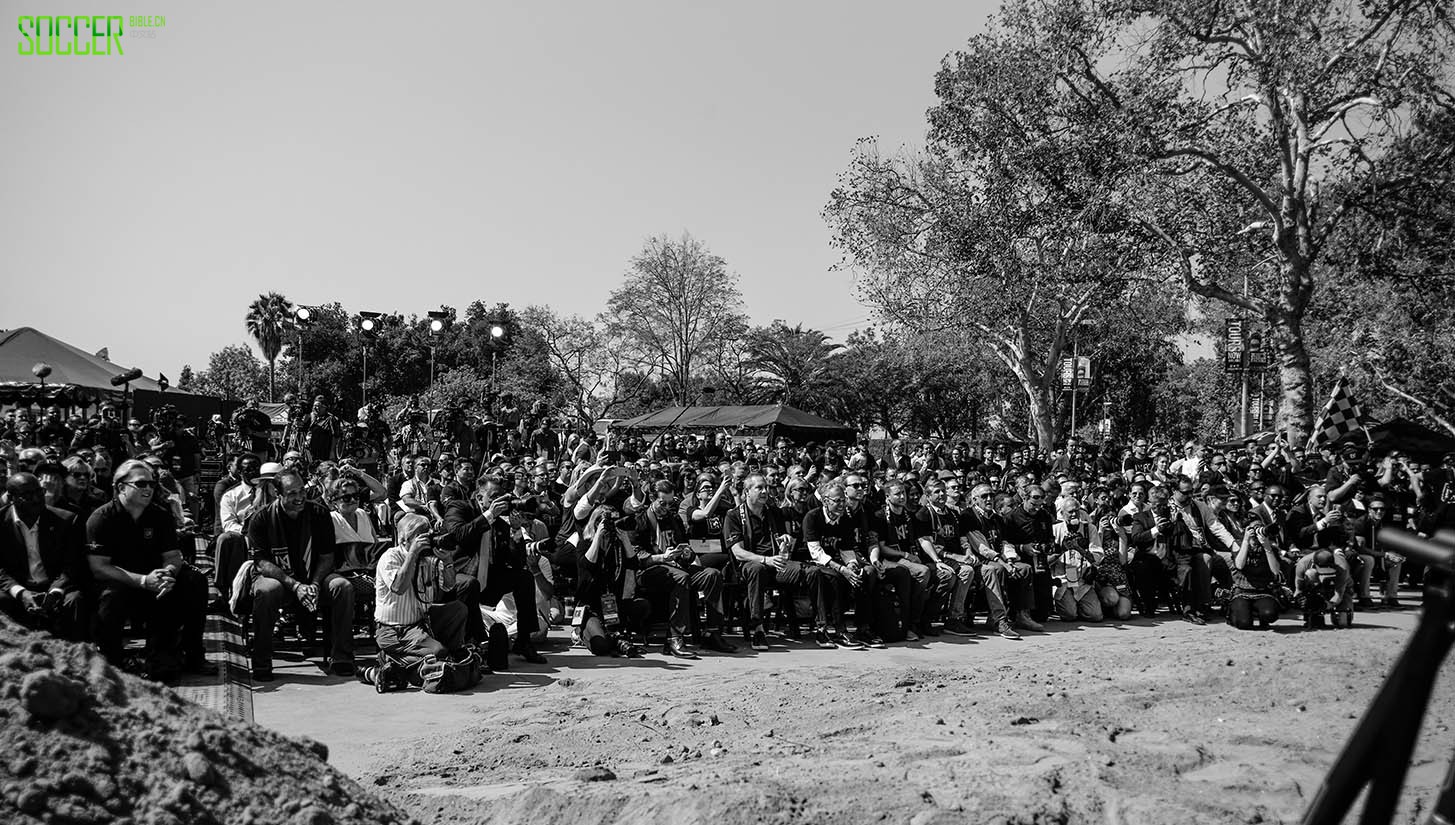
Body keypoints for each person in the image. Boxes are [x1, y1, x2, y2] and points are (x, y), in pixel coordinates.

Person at [87, 460, 212, 683]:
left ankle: (189, 654)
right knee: (110, 597)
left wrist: (168, 574)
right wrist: (143, 581)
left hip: (156, 579)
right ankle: (112, 660)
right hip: (121, 582)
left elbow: (172, 556)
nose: (148, 489)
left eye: (151, 484)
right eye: (141, 484)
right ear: (120, 487)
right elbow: (99, 568)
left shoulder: (160, 515)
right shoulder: (101, 518)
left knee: (195, 581)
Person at [245, 468, 355, 680]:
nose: (299, 498)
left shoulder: (319, 513)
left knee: (343, 587)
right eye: (292, 493)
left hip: (314, 576)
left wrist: (313, 584)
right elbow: (261, 562)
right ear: (279, 495)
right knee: (266, 591)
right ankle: (261, 661)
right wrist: (295, 585)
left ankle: (342, 657)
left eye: (301, 491)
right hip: (279, 579)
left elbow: (326, 556)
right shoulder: (261, 518)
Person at [365, 514, 473, 687]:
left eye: (428, 534)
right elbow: (399, 588)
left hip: (422, 622)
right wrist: (413, 554)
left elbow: (449, 586)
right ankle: (392, 661)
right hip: (395, 630)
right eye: (420, 535)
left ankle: (448, 655)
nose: (427, 540)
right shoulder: (390, 557)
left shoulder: (428, 558)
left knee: (458, 609)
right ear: (404, 539)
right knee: (437, 652)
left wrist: (447, 561)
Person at [633, 479, 735, 656]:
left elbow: (684, 545)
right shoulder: (640, 520)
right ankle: (674, 638)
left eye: (670, 503)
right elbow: (635, 556)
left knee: (713, 575)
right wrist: (661, 557)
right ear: (651, 498)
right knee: (681, 577)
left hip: (677, 566)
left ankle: (712, 632)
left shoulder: (673, 519)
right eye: (662, 503)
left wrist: (687, 553)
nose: (666, 507)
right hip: (649, 569)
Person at [728, 473, 816, 651]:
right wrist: (766, 560)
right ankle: (758, 629)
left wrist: (785, 541)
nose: (764, 491)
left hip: (777, 563)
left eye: (765, 488)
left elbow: (783, 541)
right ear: (746, 492)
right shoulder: (734, 515)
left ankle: (824, 627)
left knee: (813, 572)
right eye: (759, 488)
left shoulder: (774, 512)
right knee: (757, 569)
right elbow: (738, 552)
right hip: (751, 564)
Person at [0, 472, 87, 640]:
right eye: (27, 495)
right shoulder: (1, 523)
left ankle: (78, 657)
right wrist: (21, 593)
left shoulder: (66, 520)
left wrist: (55, 591)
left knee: (75, 599)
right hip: (17, 586)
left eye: (39, 492)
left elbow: (72, 564)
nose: (36, 499)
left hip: (55, 585)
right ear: (11, 498)